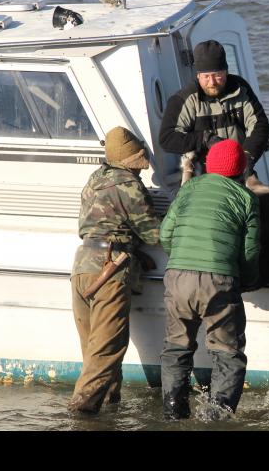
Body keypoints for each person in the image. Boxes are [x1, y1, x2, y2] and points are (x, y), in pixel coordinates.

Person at [159, 139, 261, 420]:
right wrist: (248, 281)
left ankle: (173, 414)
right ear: (241, 170)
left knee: (176, 348)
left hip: (178, 277)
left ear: (208, 166)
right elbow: (250, 252)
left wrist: (181, 259)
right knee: (227, 353)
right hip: (219, 281)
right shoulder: (246, 198)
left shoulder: (189, 188)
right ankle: (216, 420)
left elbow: (165, 235)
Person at [68, 126, 161, 414]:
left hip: (83, 265)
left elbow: (103, 224)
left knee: (92, 351)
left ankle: (108, 411)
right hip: (110, 268)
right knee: (106, 351)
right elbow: (154, 234)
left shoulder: (95, 178)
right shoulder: (128, 184)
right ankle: (80, 415)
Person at [159, 39, 269, 179]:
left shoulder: (241, 89)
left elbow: (260, 125)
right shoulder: (183, 99)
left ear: (226, 72)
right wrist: (205, 138)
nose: (212, 83)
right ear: (198, 75)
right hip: (203, 176)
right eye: (206, 76)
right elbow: (167, 138)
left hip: (240, 169)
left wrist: (247, 157)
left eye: (217, 75)